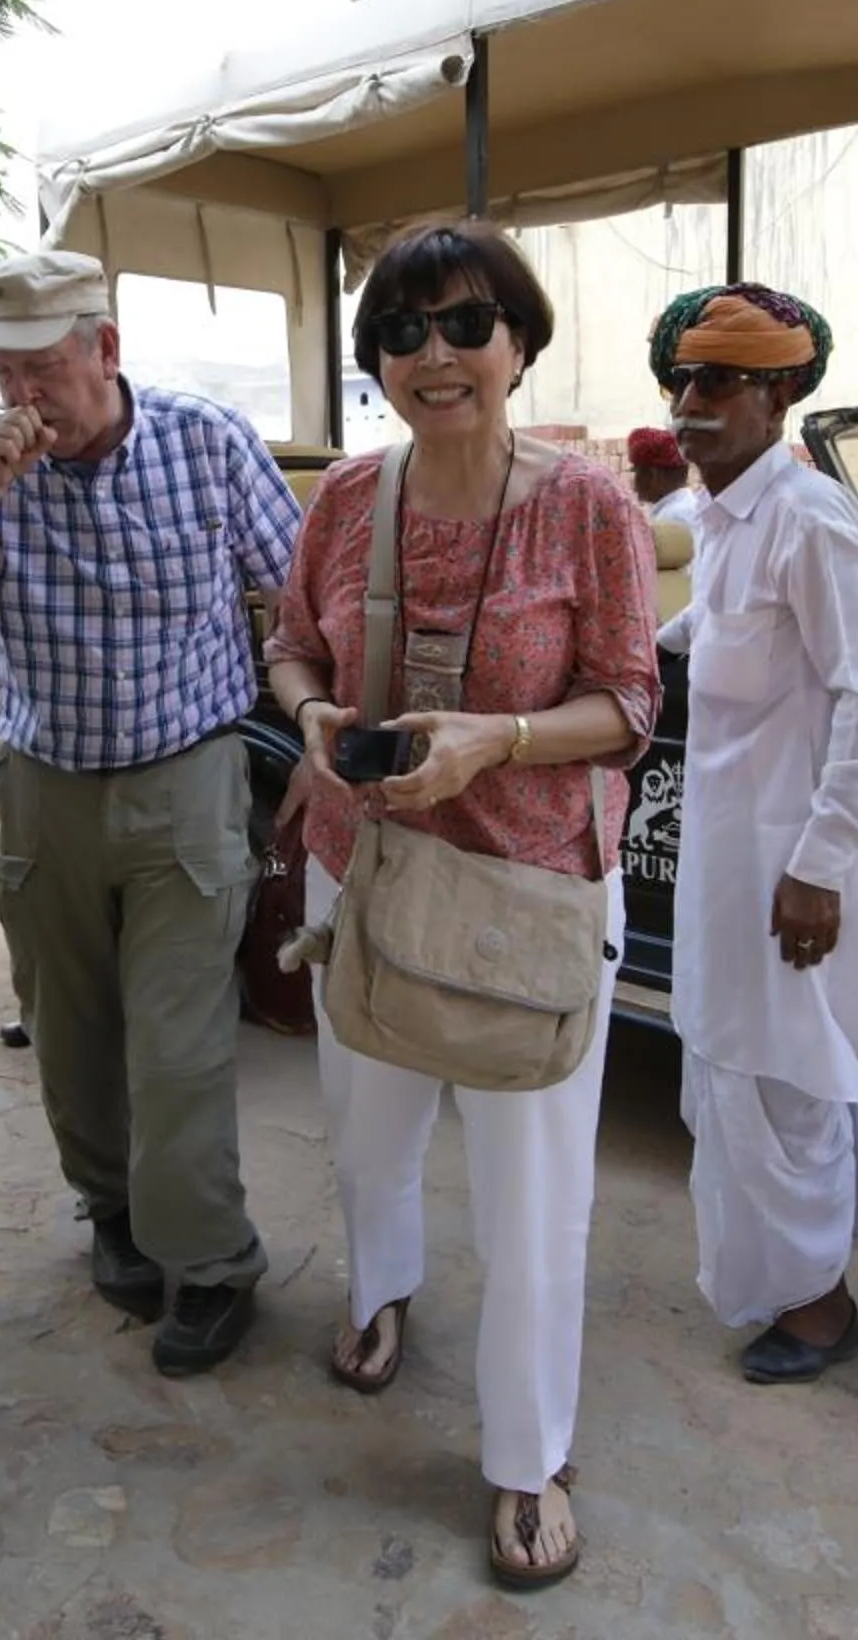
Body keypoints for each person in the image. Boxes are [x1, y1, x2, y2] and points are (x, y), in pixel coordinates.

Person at [264, 222, 659, 1593]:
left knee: (532, 1194)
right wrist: (313, 714)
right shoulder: (345, 497)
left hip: (526, 894)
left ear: (519, 342)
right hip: (363, 870)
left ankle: (528, 1453)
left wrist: (501, 739)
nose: (434, 354)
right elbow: (293, 644)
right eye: (401, 331)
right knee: (369, 1135)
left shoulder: (588, 505)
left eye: (465, 324)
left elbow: (630, 703)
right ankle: (381, 1289)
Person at [0, 247, 304, 1376]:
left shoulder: (207, 440)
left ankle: (209, 1260)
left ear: (106, 348)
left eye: (44, 369)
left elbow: (301, 588)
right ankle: (110, 1209)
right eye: (4, 372)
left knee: (179, 1045)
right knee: (67, 1028)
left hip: (185, 779)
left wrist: (315, 730)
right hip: (44, 787)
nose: (23, 396)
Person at [646, 282, 858, 1384]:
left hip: (790, 859)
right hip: (727, 848)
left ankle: (818, 1305)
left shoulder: (810, 518)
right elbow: (712, 620)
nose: (691, 403)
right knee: (735, 1063)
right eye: (683, 380)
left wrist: (817, 868)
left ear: (780, 396)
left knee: (785, 1076)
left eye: (721, 382)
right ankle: (783, 1279)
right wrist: (633, 653)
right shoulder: (719, 510)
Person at [626, 425, 703, 534]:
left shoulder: (671, 518)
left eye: (636, 472)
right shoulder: (688, 505)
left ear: (652, 476)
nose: (633, 482)